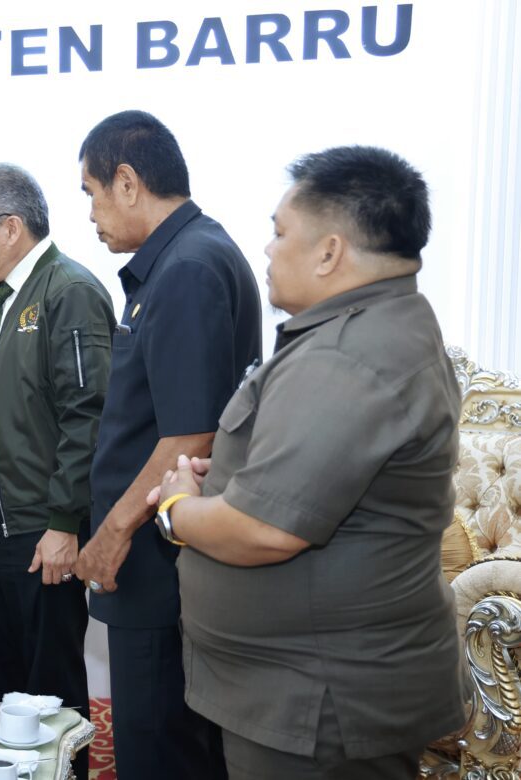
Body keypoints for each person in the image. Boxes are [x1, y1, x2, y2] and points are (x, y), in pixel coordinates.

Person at [151, 145, 465, 780]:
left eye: (278, 231)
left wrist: (177, 508)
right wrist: (236, 480)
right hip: (309, 690)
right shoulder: (376, 323)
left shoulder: (345, 356)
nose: (267, 249)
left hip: (318, 705)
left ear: (329, 252)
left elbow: (267, 530)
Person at [72, 110, 261, 779]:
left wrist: (112, 532)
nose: (91, 213)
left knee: (160, 751)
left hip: (159, 564)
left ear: (126, 182)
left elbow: (190, 434)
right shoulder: (183, 257)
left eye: (91, 192)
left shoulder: (186, 269)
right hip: (160, 558)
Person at [0, 163, 114, 777]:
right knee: (1, 668)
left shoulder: (69, 289)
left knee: (47, 675)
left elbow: (87, 415)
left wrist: (65, 521)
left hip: (39, 508)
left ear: (10, 226)